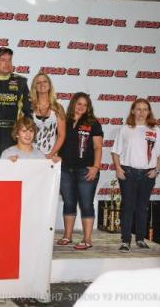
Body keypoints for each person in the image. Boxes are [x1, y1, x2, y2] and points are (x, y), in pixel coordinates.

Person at [111, 98, 160, 252]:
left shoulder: (155, 129)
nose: (142, 112)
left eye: (145, 109)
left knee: (142, 207)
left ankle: (140, 239)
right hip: (128, 173)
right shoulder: (125, 129)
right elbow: (115, 152)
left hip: (147, 175)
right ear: (133, 111)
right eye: (138, 109)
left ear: (149, 111)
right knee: (128, 207)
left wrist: (156, 170)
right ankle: (125, 240)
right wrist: (118, 168)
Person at [57, 92, 103, 250]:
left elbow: (98, 147)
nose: (82, 107)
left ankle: (87, 239)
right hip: (65, 169)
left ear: (88, 107)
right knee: (69, 203)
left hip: (86, 170)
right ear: (73, 104)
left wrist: (96, 167)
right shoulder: (64, 120)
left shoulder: (93, 123)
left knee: (86, 204)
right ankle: (67, 236)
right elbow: (57, 141)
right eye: (79, 103)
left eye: (85, 104)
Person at [30, 73, 66, 158]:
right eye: (38, 82)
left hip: (51, 156)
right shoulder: (29, 107)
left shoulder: (58, 108)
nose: (42, 84)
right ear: (34, 87)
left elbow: (61, 135)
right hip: (31, 155)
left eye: (45, 81)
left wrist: (51, 154)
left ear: (49, 85)